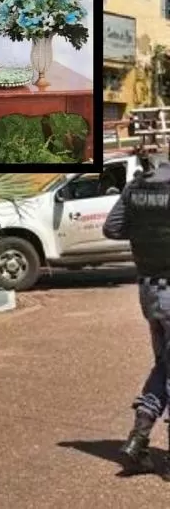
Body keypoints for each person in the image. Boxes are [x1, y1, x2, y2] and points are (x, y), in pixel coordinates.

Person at [102, 155, 170, 477]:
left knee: (164, 365)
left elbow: (112, 228)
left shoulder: (134, 188)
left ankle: (139, 437)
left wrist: (142, 232)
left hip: (148, 292)